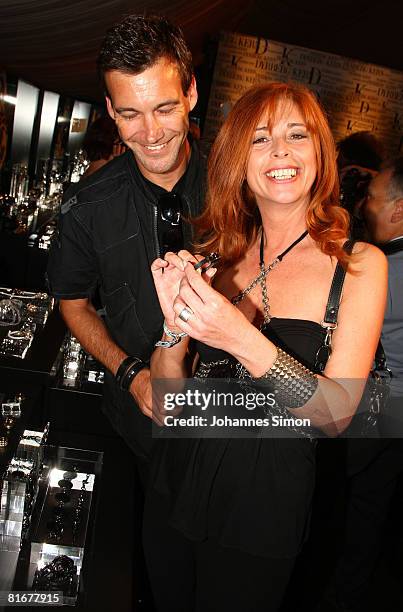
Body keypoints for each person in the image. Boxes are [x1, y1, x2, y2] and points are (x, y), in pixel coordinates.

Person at [143, 82, 388, 611]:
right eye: (260, 139)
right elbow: (168, 405)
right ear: (238, 161)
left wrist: (237, 336)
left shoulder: (360, 264)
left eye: (296, 135)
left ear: (320, 155)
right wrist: (173, 328)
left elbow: (336, 412)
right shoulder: (219, 255)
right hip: (175, 480)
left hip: (262, 509)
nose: (280, 150)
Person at [46, 14, 205, 471]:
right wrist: (131, 374)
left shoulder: (239, 186)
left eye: (164, 108)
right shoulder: (86, 205)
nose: (151, 134)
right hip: (136, 427)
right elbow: (72, 303)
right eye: (131, 114)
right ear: (111, 111)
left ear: (191, 93)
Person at [319, 157, 403, 612]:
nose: (364, 206)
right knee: (371, 511)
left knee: (335, 503)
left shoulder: (380, 269)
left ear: (399, 209)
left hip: (375, 412)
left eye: (371, 198)